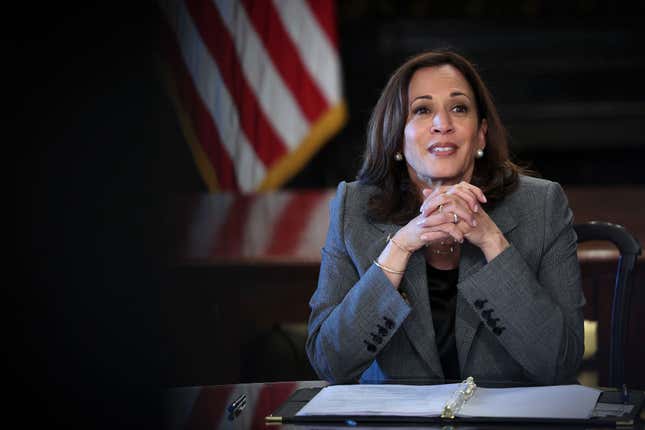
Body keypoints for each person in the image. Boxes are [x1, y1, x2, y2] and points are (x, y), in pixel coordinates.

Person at [305, 51, 585, 386]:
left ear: (481, 134)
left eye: (459, 108)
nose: (443, 124)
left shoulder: (541, 205)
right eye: (422, 110)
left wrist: (491, 241)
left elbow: (560, 363)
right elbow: (329, 363)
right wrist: (400, 247)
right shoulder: (354, 207)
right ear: (397, 136)